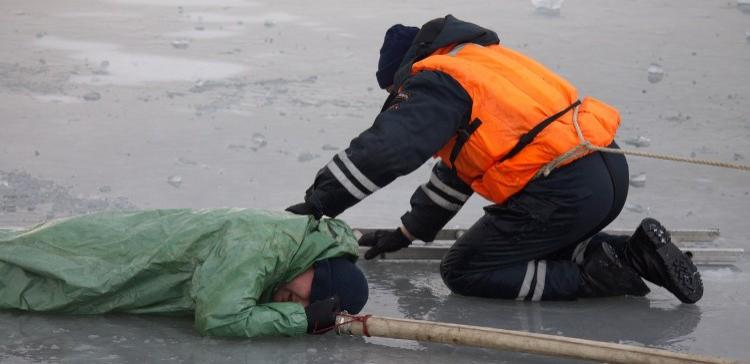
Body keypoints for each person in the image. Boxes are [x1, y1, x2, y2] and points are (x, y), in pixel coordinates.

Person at [287, 15, 702, 303]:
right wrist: (407, 231)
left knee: (466, 270)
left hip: (561, 190)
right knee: (525, 246)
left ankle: (596, 276)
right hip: (605, 171)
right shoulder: (481, 63)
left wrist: (318, 203)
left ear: (404, 71)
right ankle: (636, 252)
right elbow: (460, 171)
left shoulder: (437, 80)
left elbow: (387, 149)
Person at [0, 208, 369, 337]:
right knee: (28, 270)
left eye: (312, 304)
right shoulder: (268, 246)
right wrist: (300, 321)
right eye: (312, 291)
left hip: (123, 260)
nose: (301, 302)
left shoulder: (292, 251)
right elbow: (220, 317)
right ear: (316, 267)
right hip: (106, 257)